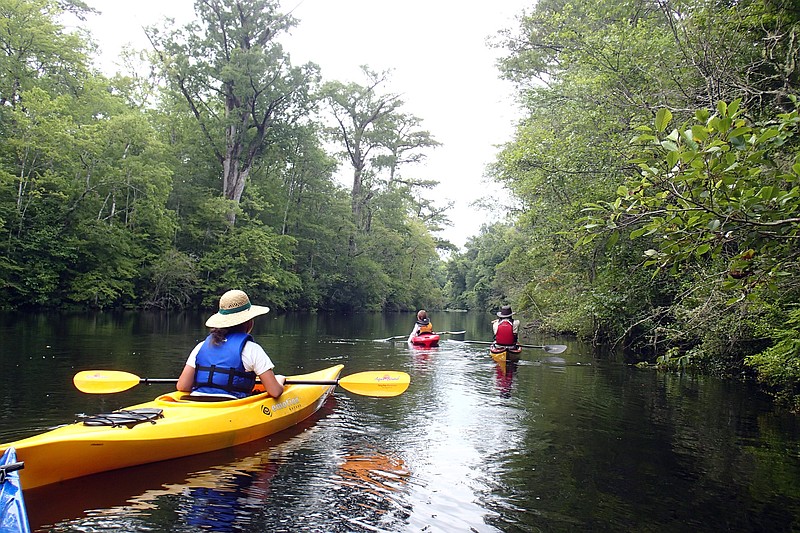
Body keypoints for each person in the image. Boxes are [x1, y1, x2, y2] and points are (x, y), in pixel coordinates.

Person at [177, 289, 285, 399]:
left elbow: (183, 386)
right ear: (249, 322)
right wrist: (279, 381)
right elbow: (275, 391)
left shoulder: (201, 346)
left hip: (198, 405)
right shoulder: (252, 349)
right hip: (230, 408)